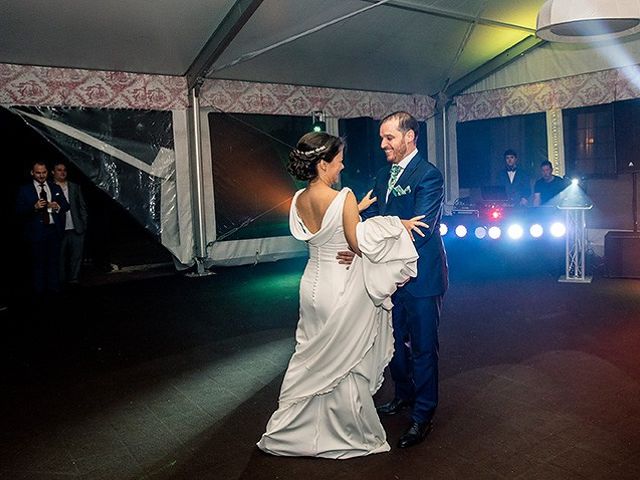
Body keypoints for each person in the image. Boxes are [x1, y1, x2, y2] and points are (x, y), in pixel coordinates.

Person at [257, 132, 427, 459]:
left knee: (315, 356)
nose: (342, 165)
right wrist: (396, 225)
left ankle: (296, 430)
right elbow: (356, 242)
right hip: (340, 285)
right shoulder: (343, 197)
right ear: (322, 164)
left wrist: (355, 209)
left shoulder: (298, 199)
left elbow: (327, 229)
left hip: (311, 286)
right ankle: (346, 431)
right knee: (346, 360)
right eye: (338, 160)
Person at [354, 111, 449, 449]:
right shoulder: (382, 175)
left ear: (410, 137)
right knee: (393, 344)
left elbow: (420, 230)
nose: (383, 144)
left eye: (389, 137)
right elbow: (368, 216)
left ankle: (423, 413)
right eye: (381, 138)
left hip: (422, 276)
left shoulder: (429, 176)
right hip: (387, 278)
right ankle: (403, 395)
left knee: (423, 347)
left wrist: (382, 229)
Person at [16, 161, 69, 295]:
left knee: (54, 262)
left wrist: (57, 206)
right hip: (36, 232)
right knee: (38, 264)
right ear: (32, 173)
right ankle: (39, 293)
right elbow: (19, 211)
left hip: (53, 231)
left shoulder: (54, 187)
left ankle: (54, 290)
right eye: (38, 173)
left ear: (47, 172)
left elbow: (66, 205)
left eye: (44, 172)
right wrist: (34, 207)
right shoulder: (25, 189)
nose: (41, 175)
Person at [53, 161, 88, 285]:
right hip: (59, 228)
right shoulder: (50, 187)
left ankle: (74, 278)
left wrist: (83, 223)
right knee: (59, 257)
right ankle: (61, 280)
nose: (62, 172)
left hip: (76, 226)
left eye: (64, 170)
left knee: (76, 255)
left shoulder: (74, 186)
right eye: (59, 170)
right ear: (53, 172)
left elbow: (82, 206)